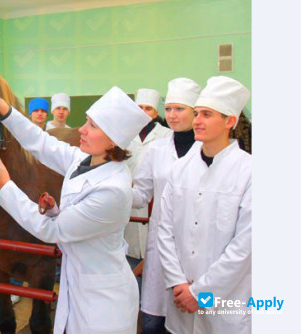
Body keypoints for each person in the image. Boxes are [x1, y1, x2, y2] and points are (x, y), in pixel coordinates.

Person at [0, 71, 150, 333]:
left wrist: (4, 184)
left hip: (104, 298)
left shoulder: (114, 189)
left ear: (113, 141)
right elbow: (39, 142)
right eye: (86, 121)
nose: (82, 130)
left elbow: (52, 231)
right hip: (78, 283)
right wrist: (0, 104)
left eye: (92, 126)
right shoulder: (84, 160)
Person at [157, 76, 251, 333]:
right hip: (180, 298)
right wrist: (178, 283)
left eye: (207, 114)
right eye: (196, 113)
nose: (197, 120)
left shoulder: (249, 171)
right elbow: (165, 230)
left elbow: (245, 247)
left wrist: (199, 293)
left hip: (225, 303)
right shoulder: (180, 169)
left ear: (230, 121)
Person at [131, 78, 201, 333]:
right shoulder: (156, 150)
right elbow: (141, 194)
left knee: (194, 319)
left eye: (180, 109)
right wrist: (114, 191)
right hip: (161, 247)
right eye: (169, 108)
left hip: (197, 246)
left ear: (196, 112)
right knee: (153, 321)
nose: (172, 115)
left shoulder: (208, 150)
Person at [124, 88, 172, 263]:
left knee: (154, 255)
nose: (143, 112)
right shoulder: (124, 135)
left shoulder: (167, 135)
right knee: (129, 255)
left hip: (154, 202)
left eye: (148, 108)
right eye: (140, 107)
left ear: (156, 113)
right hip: (128, 202)